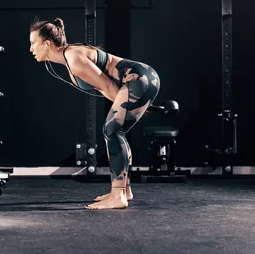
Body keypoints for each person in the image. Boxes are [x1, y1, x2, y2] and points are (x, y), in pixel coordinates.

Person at [29, 18, 160, 210]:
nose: (31, 49)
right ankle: (124, 190)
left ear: (47, 44)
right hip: (138, 81)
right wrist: (130, 103)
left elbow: (108, 85)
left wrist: (132, 102)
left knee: (112, 130)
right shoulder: (69, 57)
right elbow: (105, 88)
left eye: (33, 43)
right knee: (115, 130)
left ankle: (118, 195)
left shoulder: (73, 58)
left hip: (139, 78)